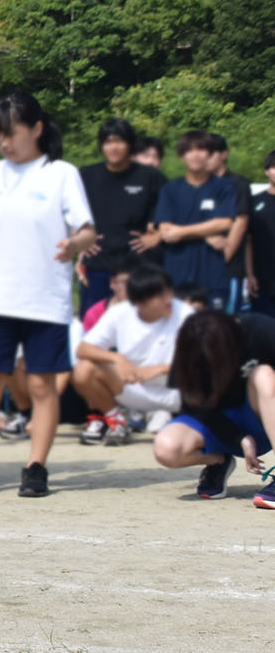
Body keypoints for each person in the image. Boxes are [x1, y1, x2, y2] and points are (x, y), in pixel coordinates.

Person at [0, 91, 96, 498]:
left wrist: (75, 245)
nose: (3, 142)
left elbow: (87, 229)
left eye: (10, 133)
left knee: (40, 386)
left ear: (36, 129)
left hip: (45, 298)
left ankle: (36, 466)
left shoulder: (61, 174)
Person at [152, 311, 275, 505]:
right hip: (216, 424)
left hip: (263, 418)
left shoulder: (259, 329)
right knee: (166, 448)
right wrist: (239, 437)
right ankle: (218, 461)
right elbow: (191, 407)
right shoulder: (191, 345)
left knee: (264, 375)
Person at [73, 264, 190, 445]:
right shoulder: (120, 313)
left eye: (169, 292)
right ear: (140, 303)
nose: (169, 299)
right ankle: (117, 421)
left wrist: (161, 369)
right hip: (133, 389)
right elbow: (82, 349)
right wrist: (118, 358)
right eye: (160, 295)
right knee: (83, 369)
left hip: (179, 394)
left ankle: (192, 424)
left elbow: (205, 361)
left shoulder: (185, 313)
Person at [76, 118, 164, 314]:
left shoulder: (150, 177)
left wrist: (156, 237)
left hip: (138, 269)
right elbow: (68, 212)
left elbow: (171, 214)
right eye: (108, 142)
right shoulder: (86, 176)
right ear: (101, 146)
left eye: (119, 141)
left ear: (130, 144)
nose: (113, 147)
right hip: (98, 265)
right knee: (94, 329)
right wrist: (78, 239)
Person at [155, 130, 237, 307]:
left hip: (213, 275)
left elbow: (225, 222)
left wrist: (182, 231)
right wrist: (207, 234)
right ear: (181, 155)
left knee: (216, 330)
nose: (196, 155)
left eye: (201, 149)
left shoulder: (224, 187)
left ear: (210, 154)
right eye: (190, 150)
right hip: (177, 275)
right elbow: (166, 232)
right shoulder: (170, 190)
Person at [209, 133, 252, 312]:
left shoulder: (237, 184)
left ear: (224, 154)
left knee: (226, 327)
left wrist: (223, 257)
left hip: (229, 269)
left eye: (210, 153)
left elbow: (240, 223)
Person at [247, 150, 275, 318]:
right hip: (263, 280)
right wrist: (250, 275)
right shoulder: (255, 202)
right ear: (266, 171)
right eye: (274, 166)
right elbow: (248, 241)